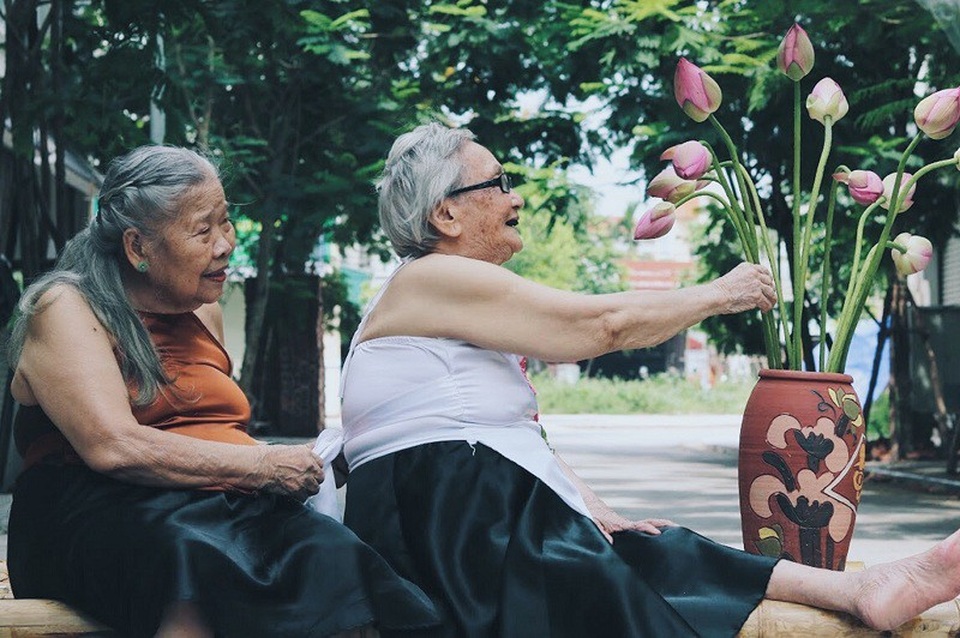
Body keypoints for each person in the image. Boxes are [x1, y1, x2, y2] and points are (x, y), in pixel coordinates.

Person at [339, 122, 960, 637]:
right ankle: (861, 591)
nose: (515, 198)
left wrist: (594, 507)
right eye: (498, 183)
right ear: (446, 212)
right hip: (448, 520)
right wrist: (720, 293)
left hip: (460, 505)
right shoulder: (430, 276)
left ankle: (861, 589)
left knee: (657, 545)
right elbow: (599, 326)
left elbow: (513, 432)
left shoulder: (443, 295)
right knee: (628, 588)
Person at [6, 146, 439, 638]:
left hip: (209, 502)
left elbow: (208, 430)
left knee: (334, 556)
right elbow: (114, 447)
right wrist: (262, 466)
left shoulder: (202, 309)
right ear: (137, 246)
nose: (225, 244)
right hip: (92, 511)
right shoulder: (65, 306)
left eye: (226, 222)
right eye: (202, 230)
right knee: (187, 563)